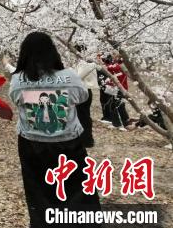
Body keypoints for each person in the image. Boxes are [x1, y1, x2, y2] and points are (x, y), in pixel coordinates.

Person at [8, 32, 100, 227]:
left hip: (31, 145)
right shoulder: (70, 76)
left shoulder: (17, 80)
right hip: (69, 144)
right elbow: (82, 96)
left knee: (38, 192)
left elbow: (16, 100)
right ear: (52, 52)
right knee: (77, 190)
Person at [98, 54, 132, 131]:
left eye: (114, 55)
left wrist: (102, 64)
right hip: (116, 87)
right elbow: (109, 69)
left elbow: (111, 68)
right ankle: (116, 123)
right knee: (113, 105)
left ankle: (126, 124)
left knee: (120, 106)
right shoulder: (115, 65)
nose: (113, 56)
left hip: (121, 88)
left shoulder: (122, 65)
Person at [74, 44, 96, 148]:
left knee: (84, 116)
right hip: (81, 91)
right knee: (81, 115)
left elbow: (77, 77)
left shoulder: (85, 63)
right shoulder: (84, 63)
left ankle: (87, 140)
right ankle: (83, 139)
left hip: (84, 91)